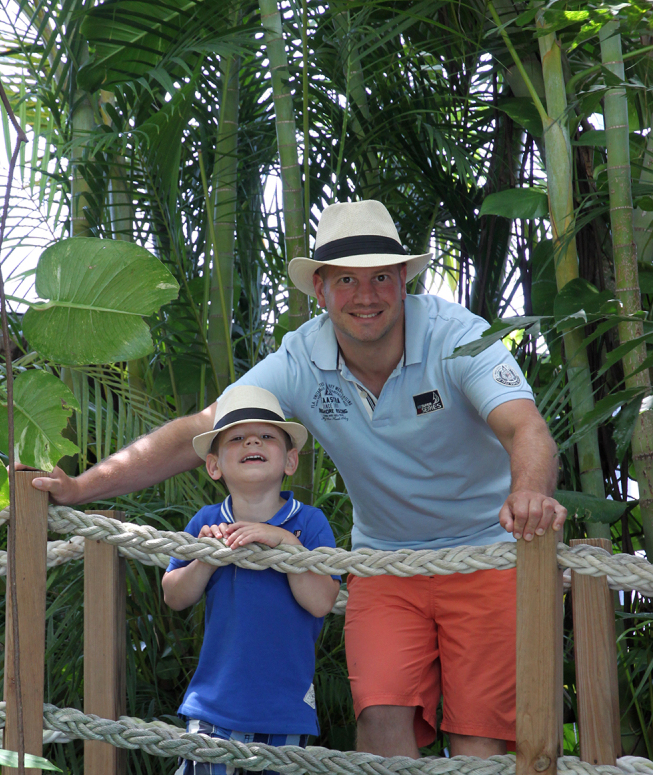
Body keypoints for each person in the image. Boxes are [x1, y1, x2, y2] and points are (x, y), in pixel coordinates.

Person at [31, 200, 566, 758]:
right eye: (346, 280)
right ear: (320, 289)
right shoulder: (301, 357)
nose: (366, 295)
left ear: (404, 279)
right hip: (383, 561)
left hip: (486, 551)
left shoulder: (458, 335)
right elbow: (201, 428)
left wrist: (528, 491)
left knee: (479, 741)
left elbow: (525, 428)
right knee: (381, 725)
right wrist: (79, 488)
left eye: (382, 276)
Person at [161, 385, 340, 775]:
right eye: (237, 438)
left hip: (284, 710)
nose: (252, 441)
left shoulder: (308, 523)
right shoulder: (205, 522)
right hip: (213, 706)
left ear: (290, 460)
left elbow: (321, 601)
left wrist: (288, 544)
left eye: (267, 436)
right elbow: (174, 595)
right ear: (214, 466)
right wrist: (208, 559)